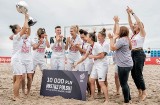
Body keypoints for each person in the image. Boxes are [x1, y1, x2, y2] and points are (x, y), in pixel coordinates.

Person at [74, 32, 109, 104]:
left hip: (102, 65)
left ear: (91, 38)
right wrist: (77, 63)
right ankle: (92, 96)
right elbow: (85, 56)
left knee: (101, 82)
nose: (85, 38)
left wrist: (93, 56)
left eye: (87, 36)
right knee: (91, 80)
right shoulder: (90, 46)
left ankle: (107, 100)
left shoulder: (97, 45)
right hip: (96, 64)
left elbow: (102, 56)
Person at [108, 16, 133, 104]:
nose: (117, 32)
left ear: (121, 32)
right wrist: (117, 22)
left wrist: (111, 39)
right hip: (128, 64)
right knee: (125, 82)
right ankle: (129, 97)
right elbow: (117, 32)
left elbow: (112, 48)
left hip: (123, 65)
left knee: (123, 83)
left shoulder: (122, 40)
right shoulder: (127, 39)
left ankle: (126, 100)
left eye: (119, 31)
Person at [127, 6, 147, 100]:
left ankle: (144, 92)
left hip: (139, 53)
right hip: (132, 53)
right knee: (133, 74)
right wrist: (128, 14)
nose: (134, 25)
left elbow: (138, 22)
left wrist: (132, 13)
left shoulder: (142, 33)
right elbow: (130, 23)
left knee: (138, 73)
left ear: (140, 26)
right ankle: (139, 90)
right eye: (134, 24)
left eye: (136, 24)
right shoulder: (134, 34)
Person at [9, 13, 29, 101]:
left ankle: (16, 95)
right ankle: (15, 96)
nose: (21, 29)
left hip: (18, 59)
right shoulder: (17, 36)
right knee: (19, 78)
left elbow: (27, 32)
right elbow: (24, 28)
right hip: (16, 59)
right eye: (19, 28)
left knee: (19, 78)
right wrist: (26, 18)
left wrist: (28, 24)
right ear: (16, 30)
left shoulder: (19, 37)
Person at [76, 29, 94, 95]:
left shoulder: (90, 42)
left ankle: (91, 92)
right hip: (83, 59)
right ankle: (87, 91)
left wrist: (79, 48)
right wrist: (78, 48)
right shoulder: (83, 42)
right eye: (81, 37)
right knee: (82, 76)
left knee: (88, 77)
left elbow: (87, 52)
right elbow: (82, 52)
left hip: (89, 60)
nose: (82, 39)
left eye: (83, 37)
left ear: (87, 36)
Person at [96, 28, 110, 96]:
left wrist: (95, 56)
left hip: (104, 63)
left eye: (99, 36)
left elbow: (103, 55)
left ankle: (105, 93)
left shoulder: (106, 44)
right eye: (97, 36)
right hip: (97, 62)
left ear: (103, 36)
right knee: (97, 78)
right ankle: (99, 91)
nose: (98, 37)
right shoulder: (97, 43)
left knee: (104, 79)